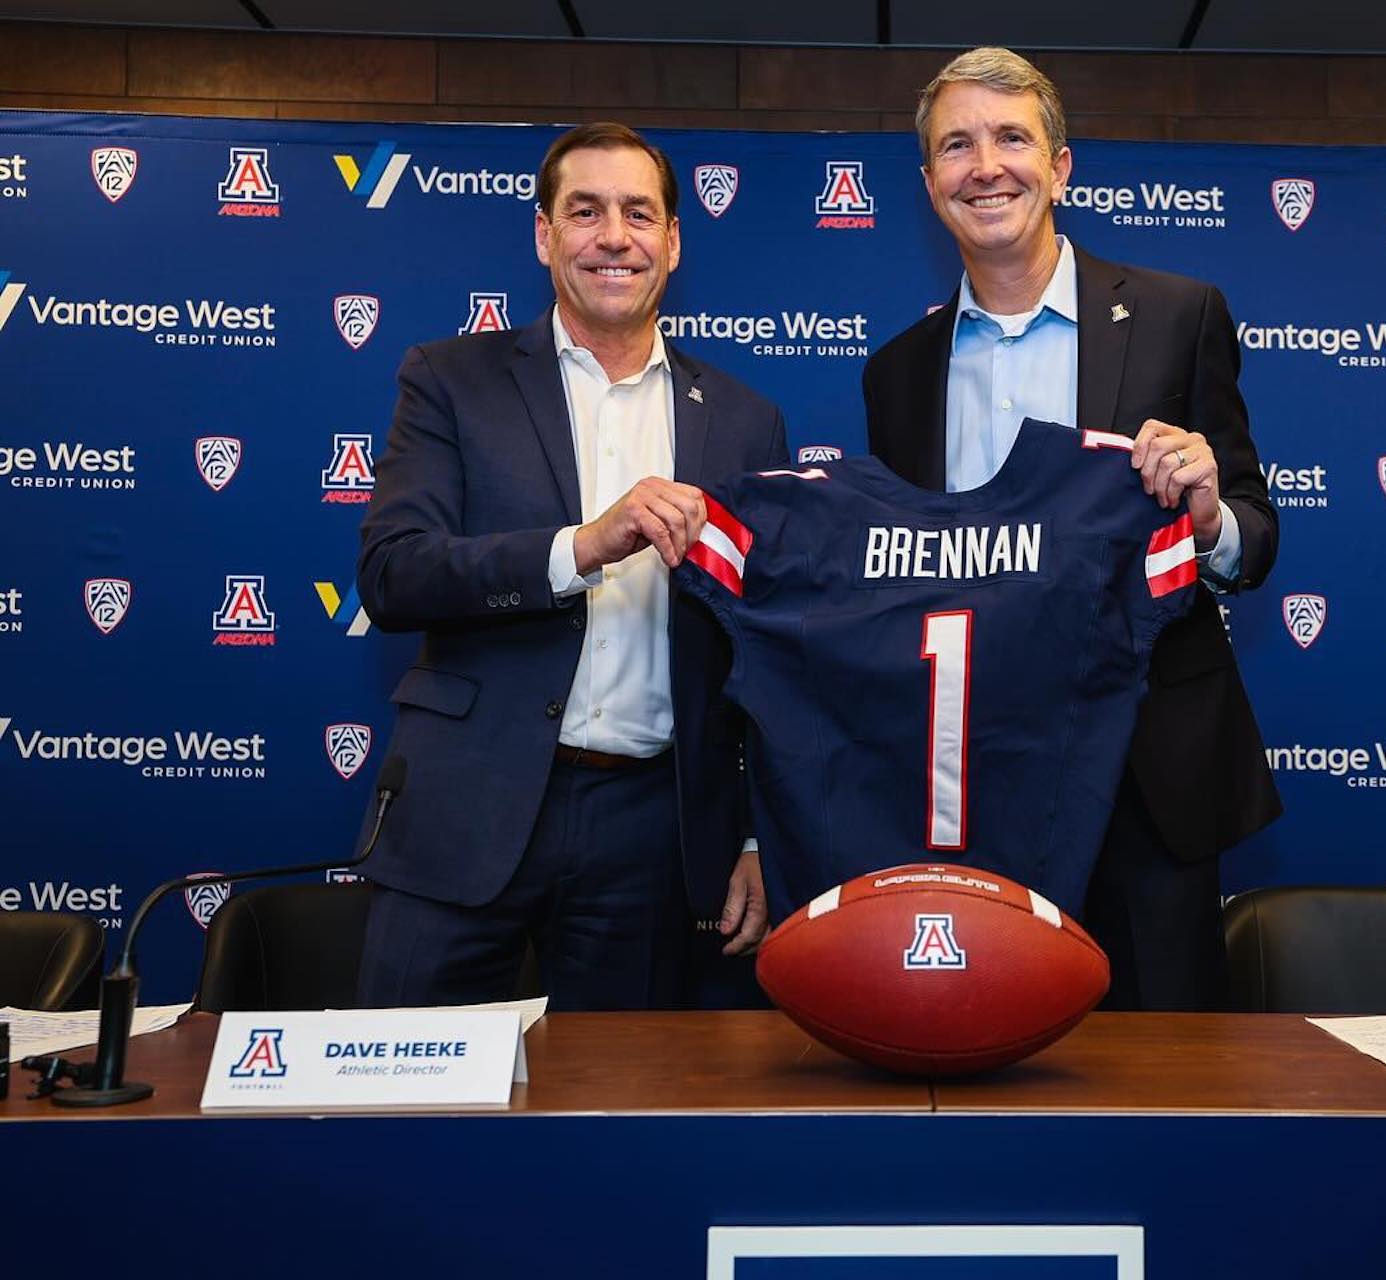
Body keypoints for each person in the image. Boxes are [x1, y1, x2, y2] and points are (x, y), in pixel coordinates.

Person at [862, 48, 1281, 1010]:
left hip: (1148, 775)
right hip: (973, 780)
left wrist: (1212, 515)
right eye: (956, 146)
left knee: (1169, 1086)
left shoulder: (1179, 316)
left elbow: (1256, 542)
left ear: (1060, 168)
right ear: (929, 183)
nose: (986, 165)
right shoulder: (896, 373)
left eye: (1013, 137)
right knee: (983, 1056)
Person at [353, 122, 787, 1010]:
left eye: (638, 213)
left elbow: (765, 653)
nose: (614, 237)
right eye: (585, 211)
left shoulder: (745, 421)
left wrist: (753, 837)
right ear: (546, 235)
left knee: (614, 1121)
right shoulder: (448, 379)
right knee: (400, 1112)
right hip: (465, 809)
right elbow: (394, 575)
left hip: (651, 832)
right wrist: (580, 547)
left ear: (673, 241)